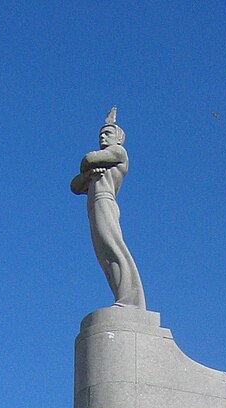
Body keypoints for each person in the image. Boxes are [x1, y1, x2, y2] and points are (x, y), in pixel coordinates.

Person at [71, 107, 146, 309]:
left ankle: (131, 300)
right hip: (94, 206)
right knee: (104, 255)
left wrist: (89, 167)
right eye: (101, 134)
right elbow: (75, 186)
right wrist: (87, 176)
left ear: (119, 138)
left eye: (108, 133)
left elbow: (88, 159)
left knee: (113, 247)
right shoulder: (104, 160)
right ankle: (122, 296)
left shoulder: (118, 152)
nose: (103, 137)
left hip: (105, 201)